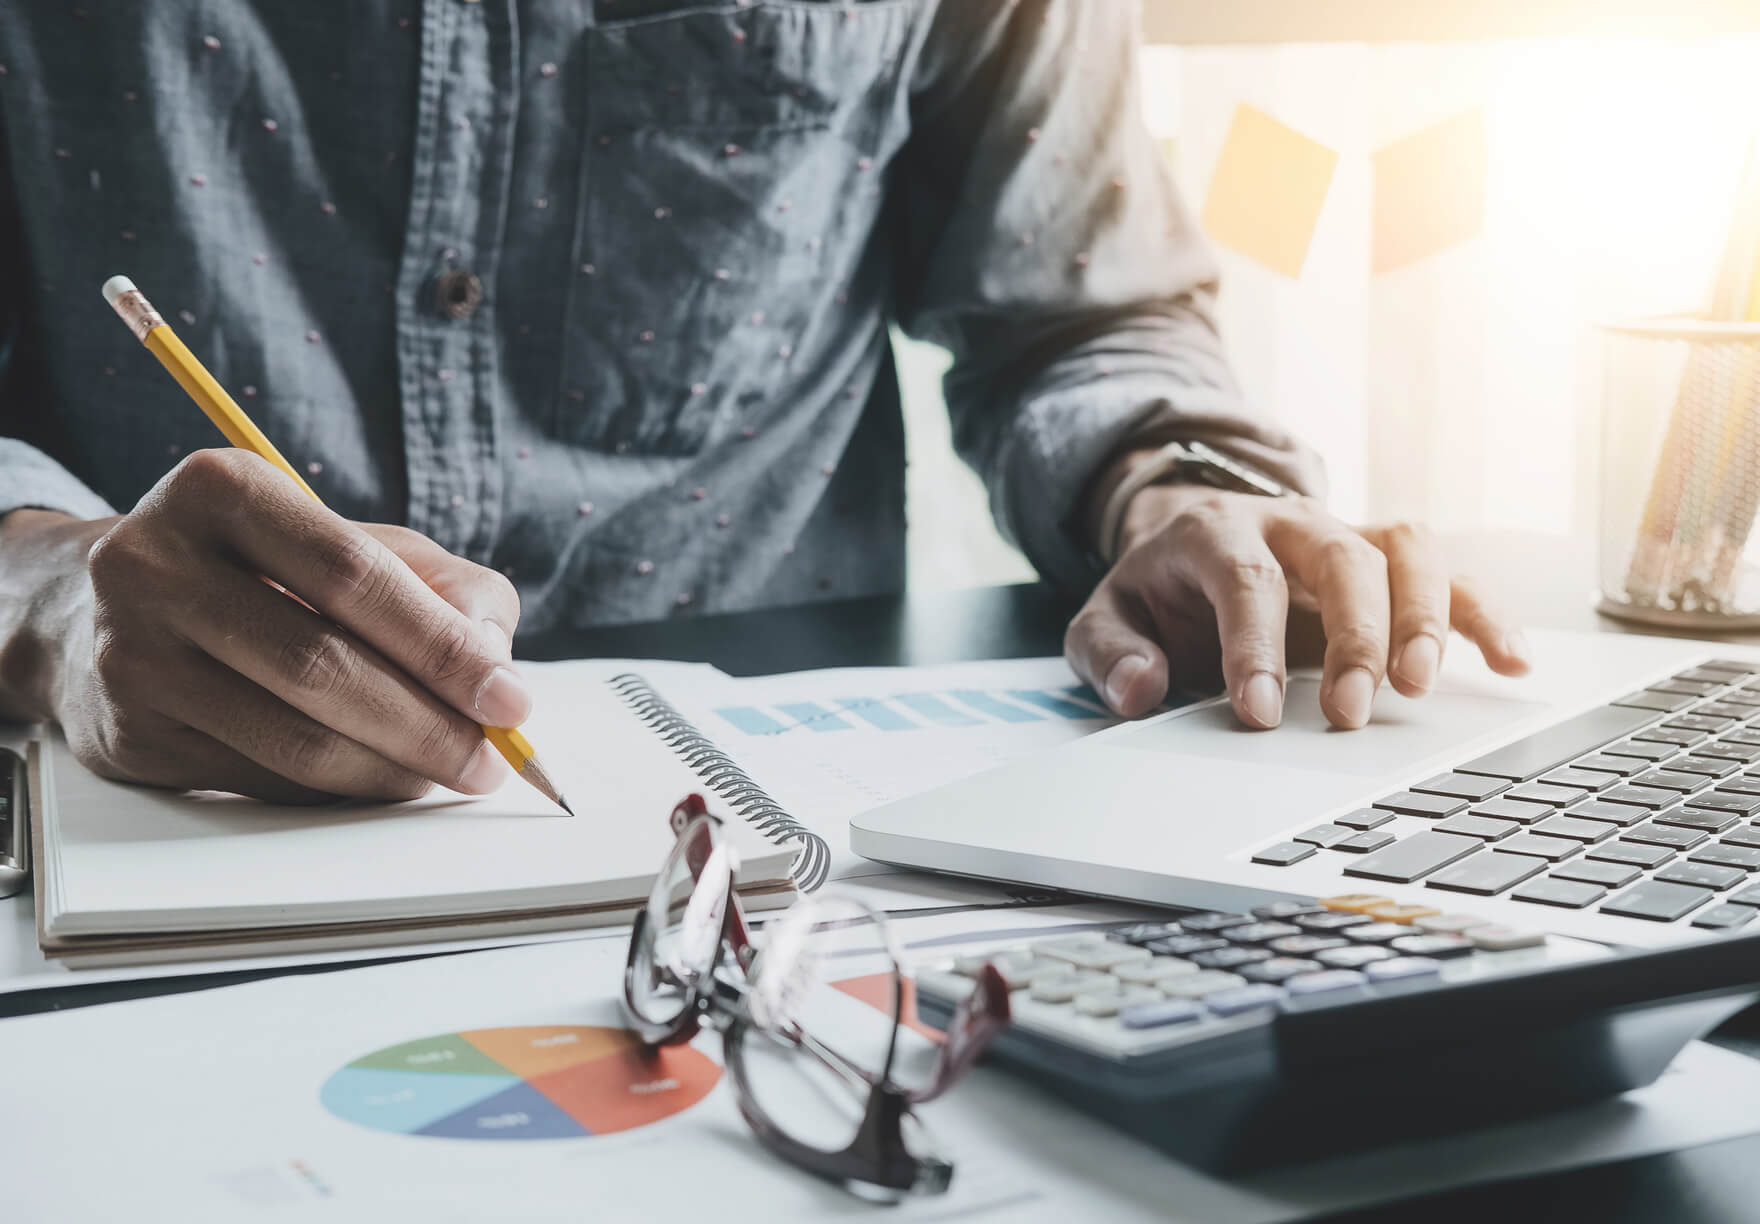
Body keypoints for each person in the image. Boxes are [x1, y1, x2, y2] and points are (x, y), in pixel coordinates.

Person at [0, 1, 1528, 805]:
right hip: (130, 807)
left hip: (792, 859)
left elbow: (1079, 305)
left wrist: (1178, 483)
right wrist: (46, 595)